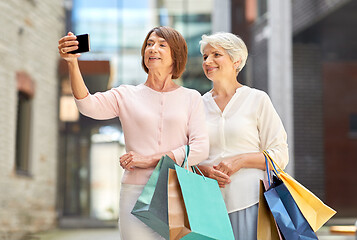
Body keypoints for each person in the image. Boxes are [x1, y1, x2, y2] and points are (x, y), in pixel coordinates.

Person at [58, 26, 209, 240]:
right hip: (135, 193)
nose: (152, 48)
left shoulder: (191, 97)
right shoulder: (126, 94)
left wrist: (150, 160)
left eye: (161, 45)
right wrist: (72, 63)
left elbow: (201, 148)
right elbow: (87, 105)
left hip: (177, 191)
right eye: (149, 44)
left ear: (176, 55)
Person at [197, 32, 289, 240]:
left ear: (236, 60)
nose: (208, 61)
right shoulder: (197, 105)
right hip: (207, 206)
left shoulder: (257, 99)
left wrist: (241, 160)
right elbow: (187, 157)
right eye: (205, 56)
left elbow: (280, 155)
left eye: (216, 55)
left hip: (251, 203)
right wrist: (203, 169)